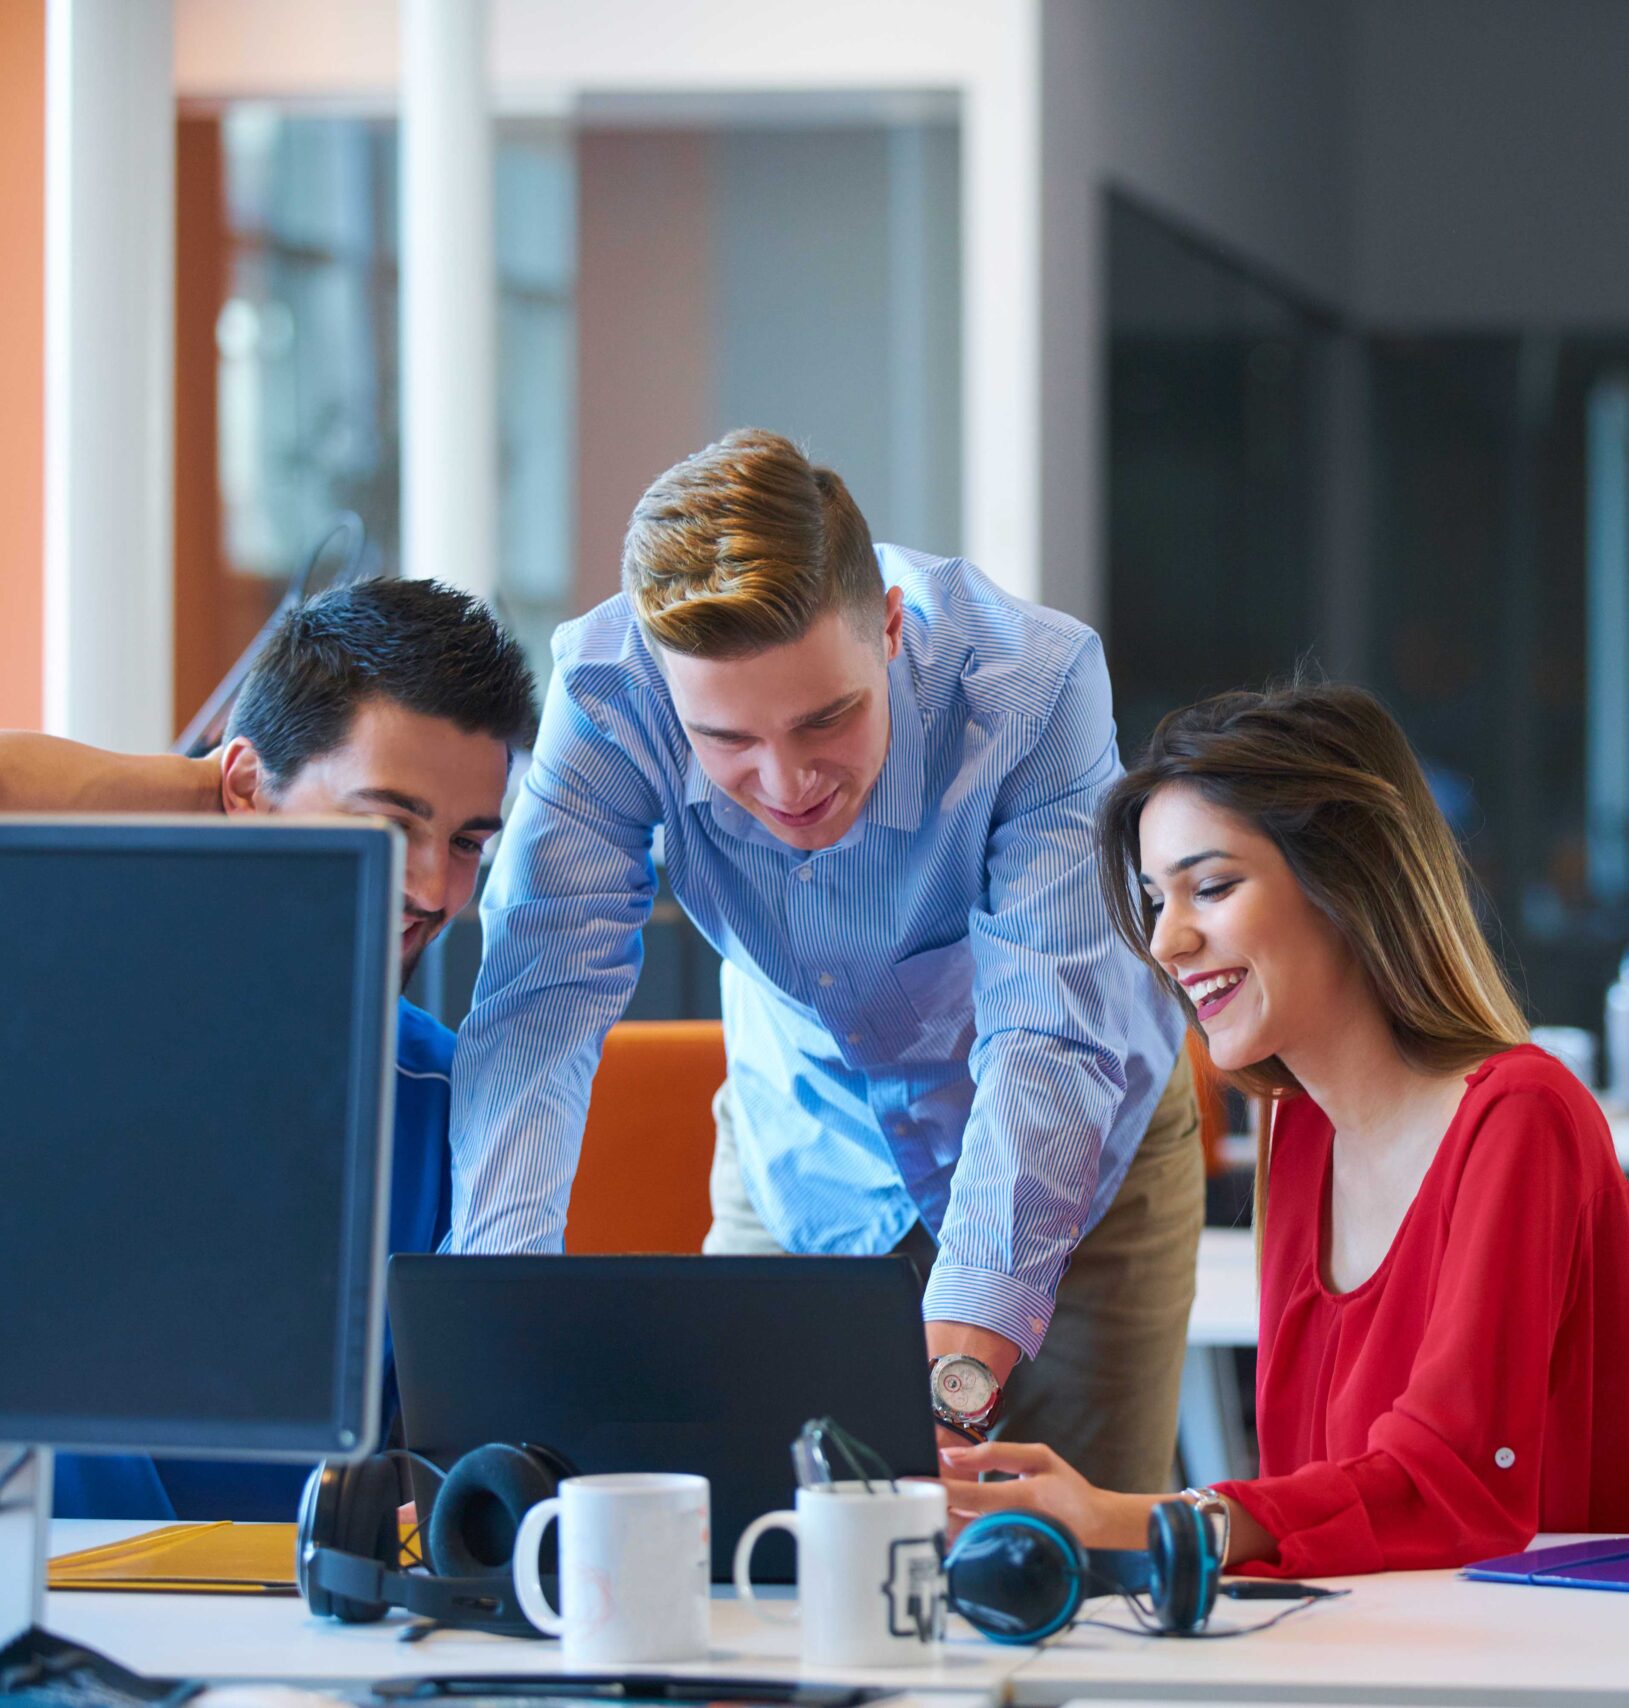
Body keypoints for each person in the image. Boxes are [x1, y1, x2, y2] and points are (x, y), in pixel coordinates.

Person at [448, 430, 1199, 1493]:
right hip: (802, 1140)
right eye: (727, 741)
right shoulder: (610, 691)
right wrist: (500, 1340)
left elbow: (1053, 1039)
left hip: (1077, 1144)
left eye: (826, 718)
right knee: (753, 1544)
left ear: (888, 627)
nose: (787, 779)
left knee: (1069, 1562)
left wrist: (957, 1375)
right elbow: (541, 1010)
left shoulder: (1033, 686)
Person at [939, 681, 1629, 1577]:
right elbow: (1317, 1493)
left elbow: (1451, 1485)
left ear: (1346, 883)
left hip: (1517, 1654)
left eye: (1210, 887)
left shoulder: (1523, 1118)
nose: (1166, 943)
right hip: (1354, 1646)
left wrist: (1132, 1519)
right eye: (1155, 900)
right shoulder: (1298, 1129)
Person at [0, 577, 540, 1519]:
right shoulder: (57, 1029)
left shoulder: (447, 1097)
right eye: (388, 820)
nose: (430, 886)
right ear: (248, 786)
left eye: (467, 843)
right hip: (53, 1599)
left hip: (299, 1629)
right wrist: (204, 787)